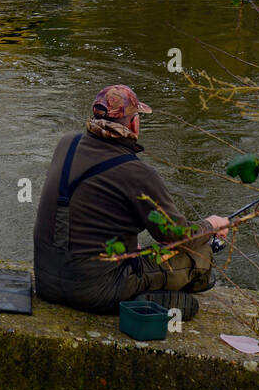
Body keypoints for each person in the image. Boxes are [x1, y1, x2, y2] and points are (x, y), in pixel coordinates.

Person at [33, 85, 230, 318]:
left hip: (46, 283)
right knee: (199, 254)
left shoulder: (67, 143)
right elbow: (176, 234)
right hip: (95, 292)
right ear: (133, 124)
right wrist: (212, 225)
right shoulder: (137, 173)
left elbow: (87, 212)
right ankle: (146, 300)